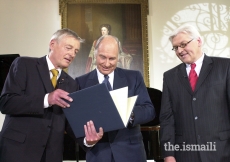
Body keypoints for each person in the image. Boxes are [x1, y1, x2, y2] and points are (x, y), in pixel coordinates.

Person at [0, 28, 83, 162]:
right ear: (52, 44)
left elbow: (69, 123)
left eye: (76, 51)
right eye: (68, 48)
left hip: (51, 155)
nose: (72, 54)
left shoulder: (71, 84)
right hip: (18, 152)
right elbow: (6, 103)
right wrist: (47, 99)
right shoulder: (24, 65)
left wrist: (87, 139)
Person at [75, 35, 155, 162]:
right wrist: (87, 141)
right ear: (95, 54)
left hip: (131, 154)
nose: (107, 63)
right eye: (102, 57)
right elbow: (76, 121)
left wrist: (129, 114)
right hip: (99, 155)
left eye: (112, 58)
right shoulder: (81, 83)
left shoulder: (134, 77)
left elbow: (149, 110)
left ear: (118, 58)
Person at [160, 24, 230, 162]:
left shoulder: (225, 67)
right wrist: (168, 154)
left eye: (183, 44)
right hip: (185, 154)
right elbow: (167, 119)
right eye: (175, 47)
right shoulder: (170, 77)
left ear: (198, 41)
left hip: (222, 151)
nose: (179, 50)